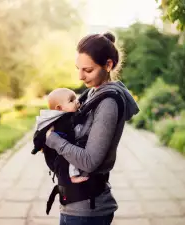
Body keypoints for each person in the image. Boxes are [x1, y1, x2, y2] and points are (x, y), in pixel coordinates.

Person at [45, 32, 139, 225]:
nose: (80, 76)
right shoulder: (91, 94)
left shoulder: (108, 103)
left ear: (108, 65)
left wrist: (52, 139)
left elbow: (89, 161)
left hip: (87, 210)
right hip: (76, 204)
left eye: (87, 70)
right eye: (78, 69)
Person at [36, 87, 89, 183]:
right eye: (71, 100)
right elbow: (40, 133)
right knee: (68, 158)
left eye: (76, 98)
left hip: (62, 148)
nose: (77, 101)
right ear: (59, 108)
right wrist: (39, 146)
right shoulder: (61, 120)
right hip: (58, 156)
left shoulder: (66, 116)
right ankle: (72, 177)